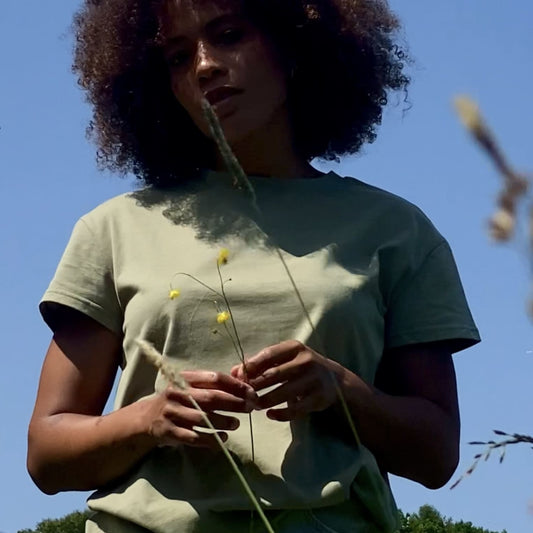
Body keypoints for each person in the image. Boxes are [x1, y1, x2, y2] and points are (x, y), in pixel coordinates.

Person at [27, 0, 480, 532]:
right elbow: (46, 453)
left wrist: (343, 393)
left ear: (293, 44)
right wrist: (147, 419)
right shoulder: (112, 229)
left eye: (228, 34)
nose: (203, 65)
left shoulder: (397, 230)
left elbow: (437, 455)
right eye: (176, 56)